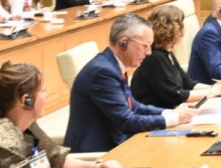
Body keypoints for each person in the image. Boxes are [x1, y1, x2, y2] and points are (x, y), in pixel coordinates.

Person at [63, 14, 196, 153]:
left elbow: (133, 106)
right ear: (124, 43)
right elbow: (127, 121)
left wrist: (170, 112)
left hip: (120, 145)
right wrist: (174, 118)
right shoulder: (102, 72)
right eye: (145, 46)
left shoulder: (112, 65)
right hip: (99, 155)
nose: (149, 52)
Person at [130, 5, 221, 109]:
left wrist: (218, 88)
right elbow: (176, 95)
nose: (185, 29)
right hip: (155, 115)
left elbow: (188, 83)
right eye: (182, 24)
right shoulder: (154, 57)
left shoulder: (167, 53)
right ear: (173, 28)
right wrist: (215, 91)